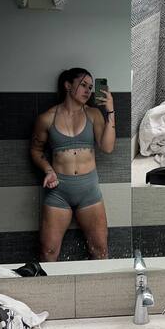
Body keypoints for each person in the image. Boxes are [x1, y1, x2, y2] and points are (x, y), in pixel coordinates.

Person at [30, 67, 115, 261]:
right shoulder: (46, 118)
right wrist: (48, 170)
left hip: (89, 192)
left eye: (91, 87)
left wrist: (110, 110)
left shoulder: (94, 114)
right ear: (68, 85)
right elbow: (35, 150)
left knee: (100, 251)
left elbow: (107, 147)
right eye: (83, 85)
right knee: (48, 252)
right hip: (58, 192)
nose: (88, 91)